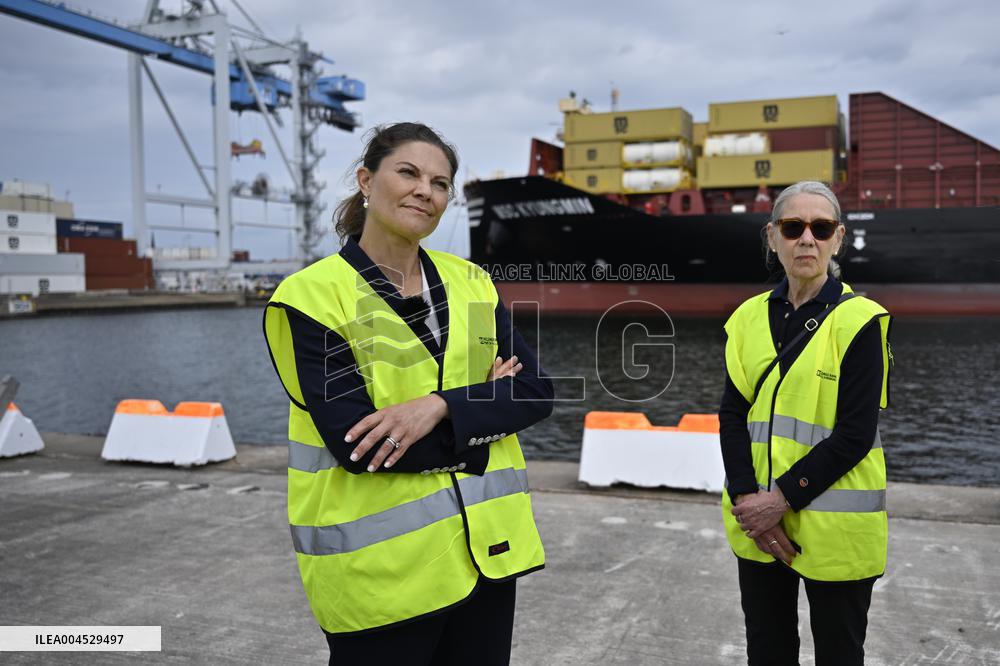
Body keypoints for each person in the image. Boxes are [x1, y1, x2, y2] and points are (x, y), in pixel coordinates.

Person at [262, 122, 553, 665]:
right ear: (366, 180)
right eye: (409, 173)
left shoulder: (473, 282)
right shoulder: (310, 299)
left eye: (440, 183)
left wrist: (439, 405)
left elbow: (535, 393)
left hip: (485, 561)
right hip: (380, 576)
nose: (426, 189)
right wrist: (485, 410)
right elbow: (358, 444)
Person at [718, 180, 892, 665]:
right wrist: (748, 498)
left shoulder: (861, 321)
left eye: (820, 228)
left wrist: (779, 501)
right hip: (758, 526)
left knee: (839, 655)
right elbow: (732, 416)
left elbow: (855, 434)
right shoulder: (746, 319)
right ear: (773, 237)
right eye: (793, 227)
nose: (807, 239)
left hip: (836, 530)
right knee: (767, 652)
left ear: (838, 238)